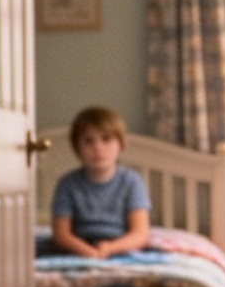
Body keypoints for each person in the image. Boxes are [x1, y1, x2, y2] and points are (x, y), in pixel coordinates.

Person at [47, 105, 151, 259]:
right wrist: (87, 252)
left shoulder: (132, 182)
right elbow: (61, 235)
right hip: (78, 249)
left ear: (120, 144)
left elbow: (140, 234)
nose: (98, 148)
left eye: (106, 139)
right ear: (77, 147)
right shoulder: (67, 184)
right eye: (88, 141)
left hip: (121, 247)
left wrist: (109, 248)